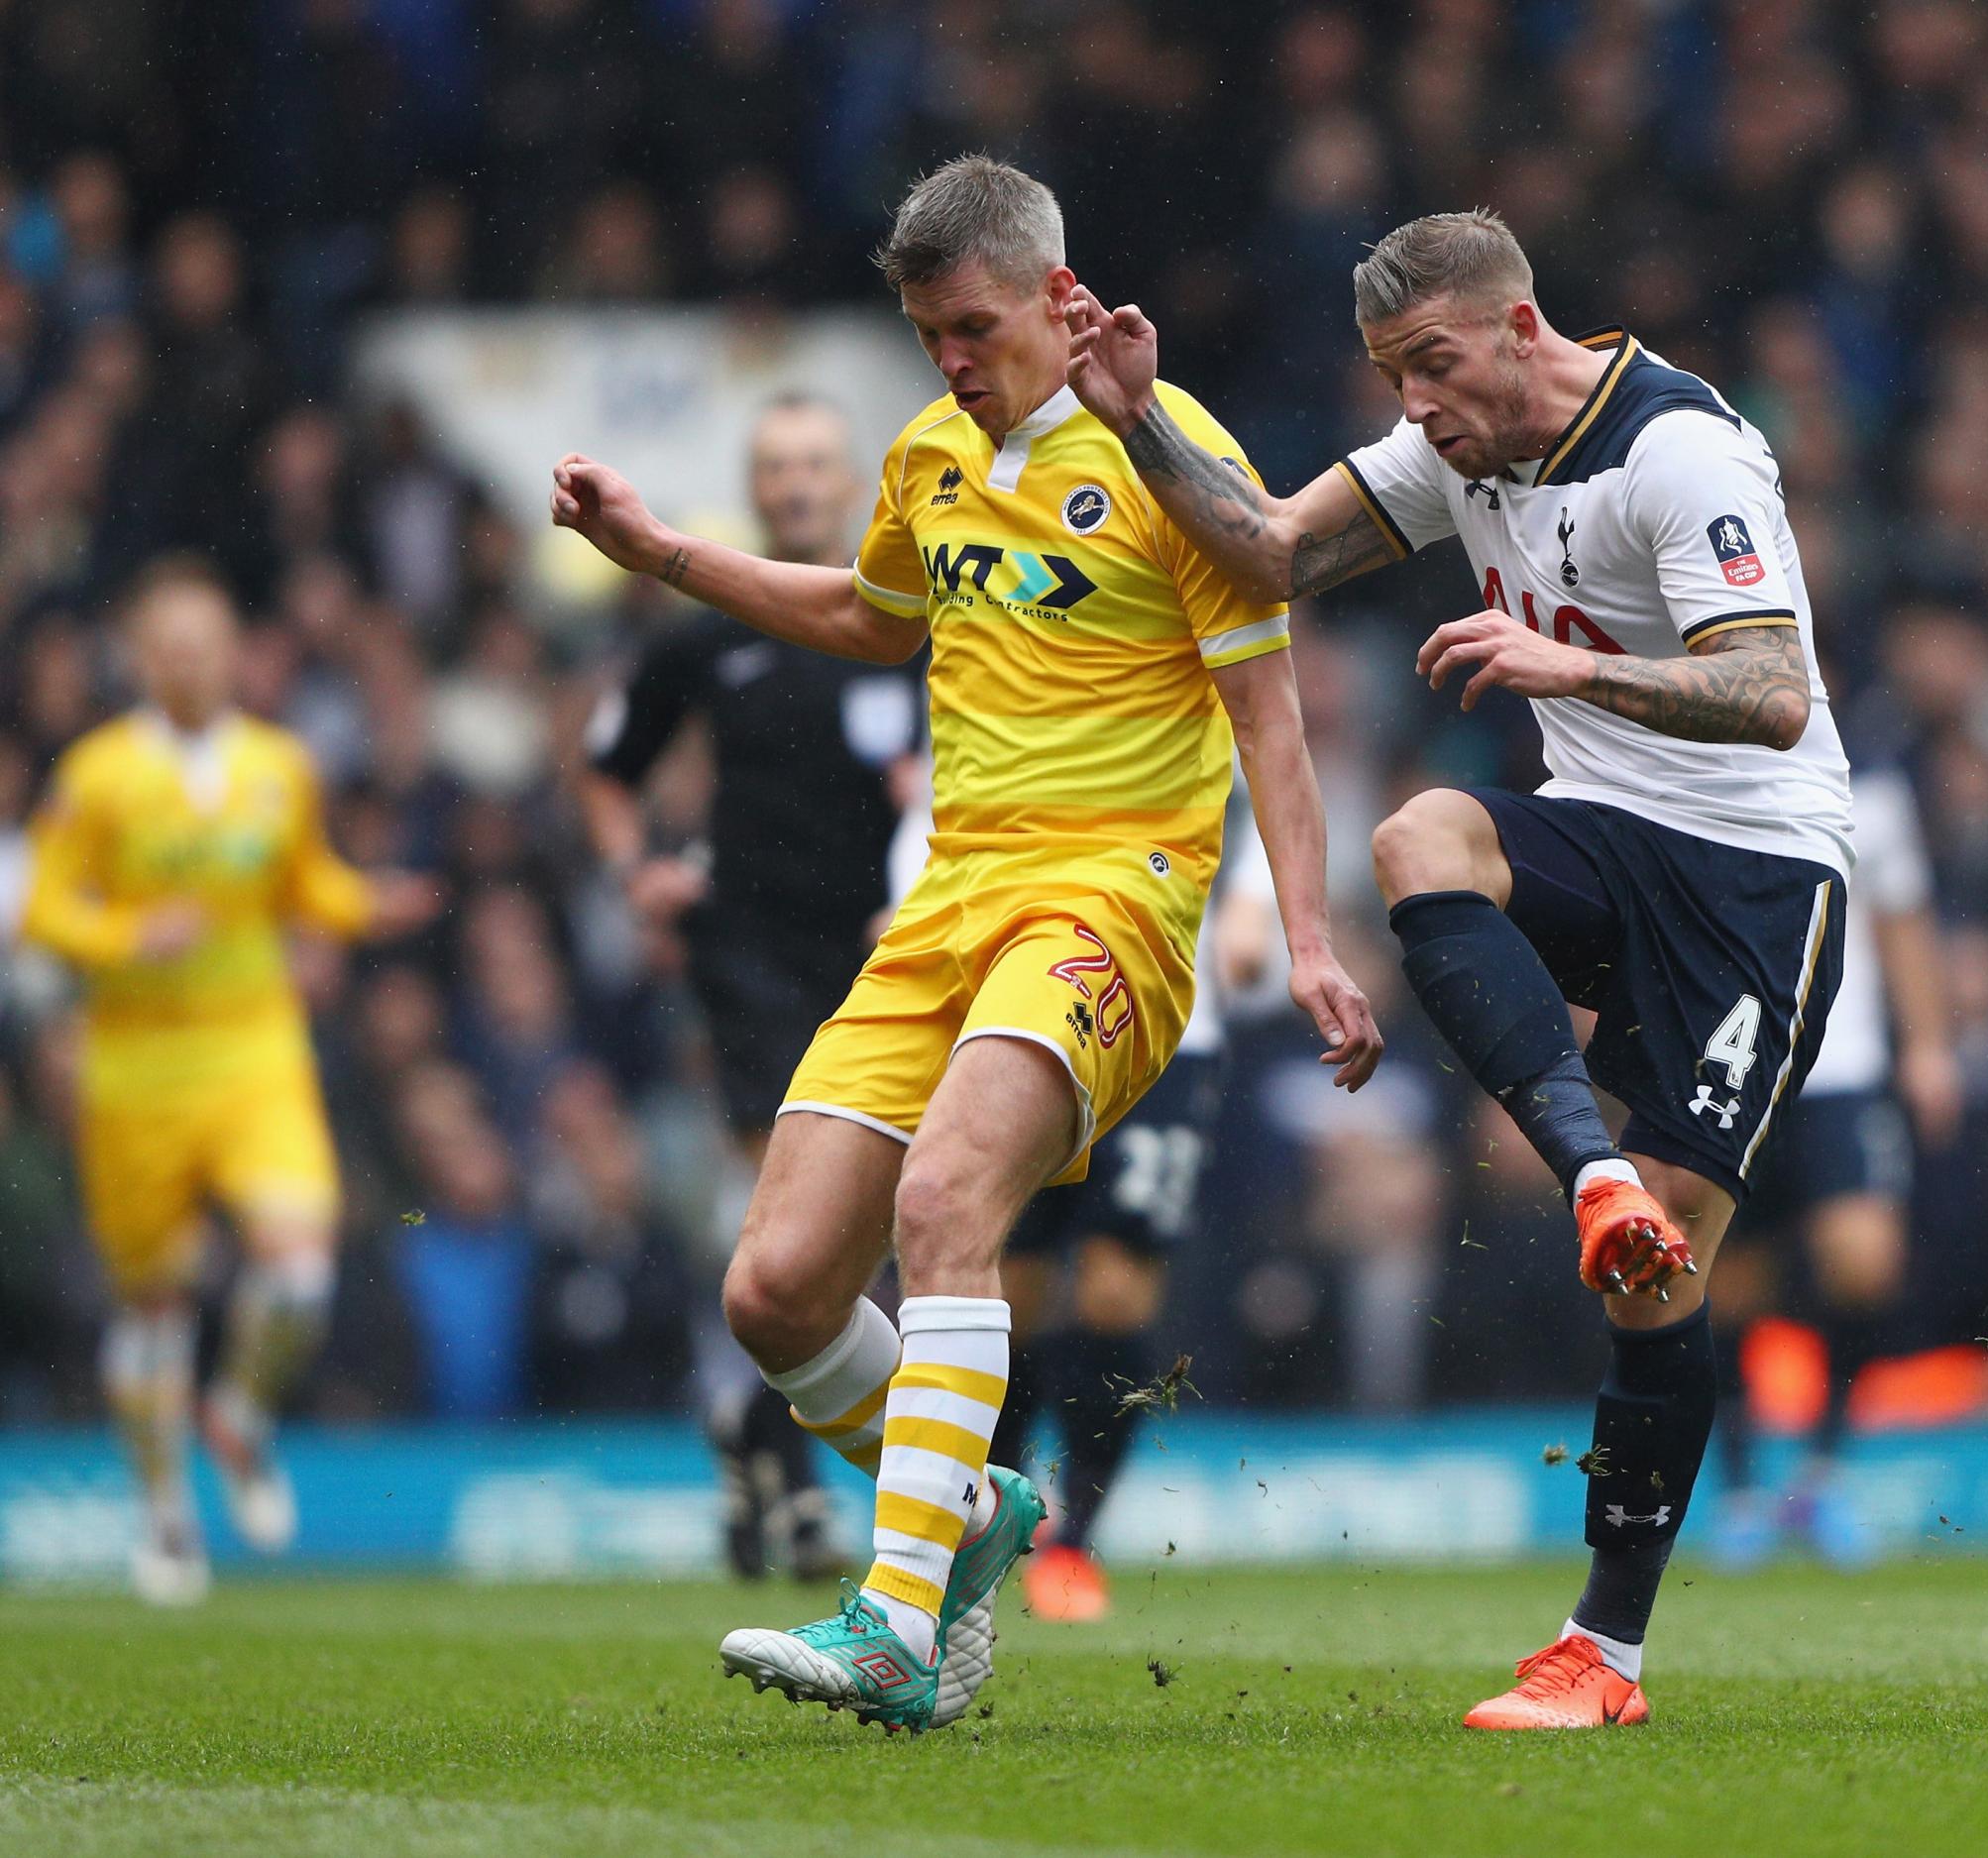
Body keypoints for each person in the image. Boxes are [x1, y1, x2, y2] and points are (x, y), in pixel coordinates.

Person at [548, 156, 1380, 1732]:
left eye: (975, 327)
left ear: (1064, 305)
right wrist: (663, 554)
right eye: (928, 331)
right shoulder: (930, 453)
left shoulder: (1171, 453)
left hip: (1108, 902)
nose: (949, 360)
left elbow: (1269, 715)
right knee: (778, 1289)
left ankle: (900, 1618)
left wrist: (1317, 941)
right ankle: (978, 1510)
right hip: (944, 904)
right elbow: (872, 616)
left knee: (943, 1200)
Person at [1065, 207, 1853, 1729]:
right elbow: (1275, 549)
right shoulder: (1453, 452)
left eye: (1430, 366)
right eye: (1390, 376)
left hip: (1758, 875)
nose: (1414, 406)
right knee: (1423, 834)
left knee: (1669, 1275)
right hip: (1603, 830)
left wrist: (1574, 666)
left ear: (1519, 325)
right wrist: (1139, 420)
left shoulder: (1681, 452)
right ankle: (1585, 1174)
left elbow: (1771, 690)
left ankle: (1603, 1652)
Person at [19, 559, 435, 1602]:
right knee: (153, 1303)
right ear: (144, 660)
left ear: (234, 652)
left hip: (255, 1049)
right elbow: (40, 906)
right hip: (136, 1066)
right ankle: (164, 1520)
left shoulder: (279, 766)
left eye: (208, 644)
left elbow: (305, 881)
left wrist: (363, 904)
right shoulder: (97, 774)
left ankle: (240, 1414)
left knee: (299, 1266)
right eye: (171, 647)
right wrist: (123, 934)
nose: (193, 664)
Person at [580, 392, 911, 1584]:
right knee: (795, 1211)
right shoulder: (705, 634)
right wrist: (638, 875)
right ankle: (797, 1480)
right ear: (755, 485)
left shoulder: (903, 619)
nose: (796, 484)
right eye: (776, 466)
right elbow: (607, 768)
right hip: (748, 956)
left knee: (858, 1238)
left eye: (816, 462)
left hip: (885, 959)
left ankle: (756, 1440)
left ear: (848, 480)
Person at [987, 805, 1276, 1621]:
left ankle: (1076, 1538)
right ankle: (994, 1517)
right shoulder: (1041, 720)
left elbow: (1248, 827)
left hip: (1172, 1041)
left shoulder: (1208, 749)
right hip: (1040, 1023)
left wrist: (1249, 918)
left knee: (1116, 1291)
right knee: (1012, 1294)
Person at [1709, 762, 1959, 1568]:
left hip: (1841, 1069)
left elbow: (1903, 923)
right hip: (1732, 1063)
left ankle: (1821, 1473)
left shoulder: (1872, 793)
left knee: (1865, 1262)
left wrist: (1927, 1046)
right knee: (1724, 1288)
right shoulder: (1693, 772)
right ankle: (1742, 1489)